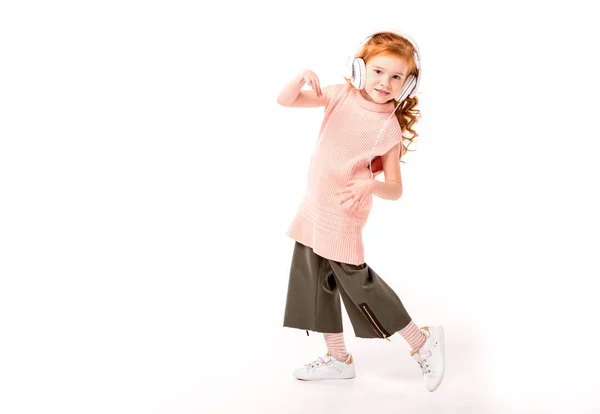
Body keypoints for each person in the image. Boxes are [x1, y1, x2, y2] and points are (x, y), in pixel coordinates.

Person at [277, 30, 445, 392]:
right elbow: (285, 100)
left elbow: (396, 189)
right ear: (360, 69)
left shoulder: (388, 129)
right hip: (314, 205)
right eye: (378, 71)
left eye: (396, 77)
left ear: (408, 84)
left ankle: (422, 341)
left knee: (358, 283)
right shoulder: (340, 96)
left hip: (343, 214)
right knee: (315, 282)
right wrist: (300, 77)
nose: (385, 82)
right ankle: (338, 359)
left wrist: (371, 185)